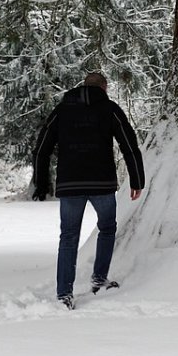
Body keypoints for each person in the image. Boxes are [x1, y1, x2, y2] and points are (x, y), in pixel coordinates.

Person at [33, 71, 145, 309]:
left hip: (70, 184)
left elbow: (42, 147)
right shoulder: (110, 109)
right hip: (101, 184)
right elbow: (129, 143)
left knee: (68, 237)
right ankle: (99, 278)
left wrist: (41, 183)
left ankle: (64, 294)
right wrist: (137, 180)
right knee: (107, 228)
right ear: (104, 89)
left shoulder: (62, 110)